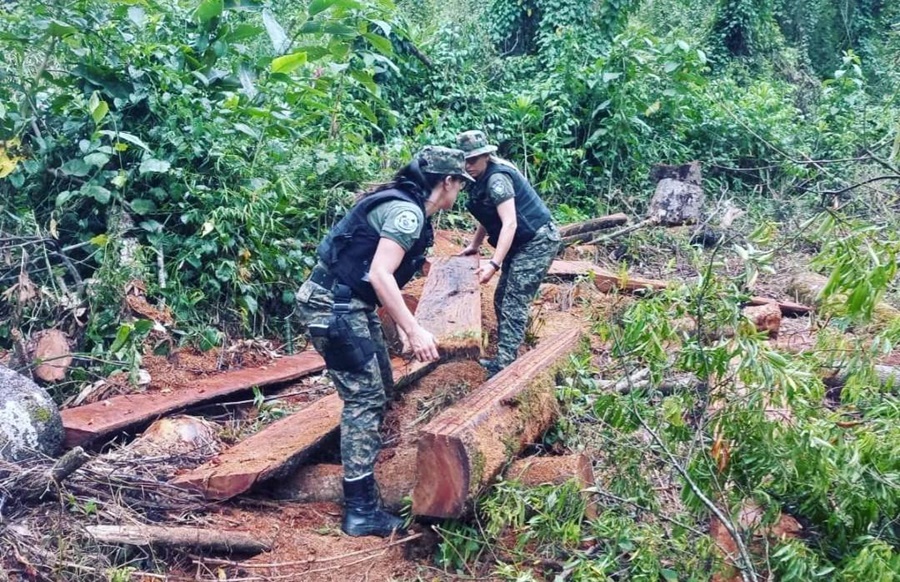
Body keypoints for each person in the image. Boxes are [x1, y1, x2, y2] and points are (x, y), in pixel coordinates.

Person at [295, 146, 473, 537]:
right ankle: (361, 510)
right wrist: (413, 329)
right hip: (334, 308)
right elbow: (380, 273)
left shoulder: (407, 208)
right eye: (460, 183)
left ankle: (364, 457)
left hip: (350, 305)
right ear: (448, 182)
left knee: (382, 383)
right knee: (364, 398)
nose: (460, 192)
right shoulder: (408, 213)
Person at [456, 130, 560, 378]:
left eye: (473, 160)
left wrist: (493, 263)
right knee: (501, 298)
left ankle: (505, 365)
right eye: (465, 161)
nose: (468, 165)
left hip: (537, 241)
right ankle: (511, 348)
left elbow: (510, 222)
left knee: (514, 301)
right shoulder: (479, 179)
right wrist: (475, 245)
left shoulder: (497, 179)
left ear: (486, 156)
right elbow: (488, 216)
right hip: (519, 242)